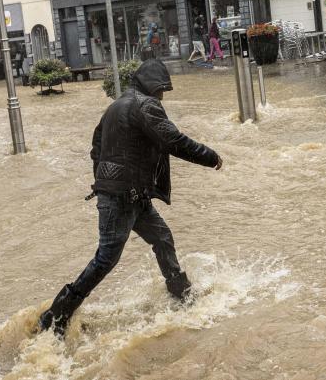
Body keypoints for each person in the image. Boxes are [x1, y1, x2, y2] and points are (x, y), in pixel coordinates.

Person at [37, 59, 223, 338]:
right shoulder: (145, 105)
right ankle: (56, 316)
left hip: (131, 195)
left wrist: (105, 181)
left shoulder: (116, 105)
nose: (162, 96)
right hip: (123, 197)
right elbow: (173, 140)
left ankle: (181, 294)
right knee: (106, 259)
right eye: (162, 90)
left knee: (162, 238)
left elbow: (96, 147)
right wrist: (211, 156)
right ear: (153, 86)